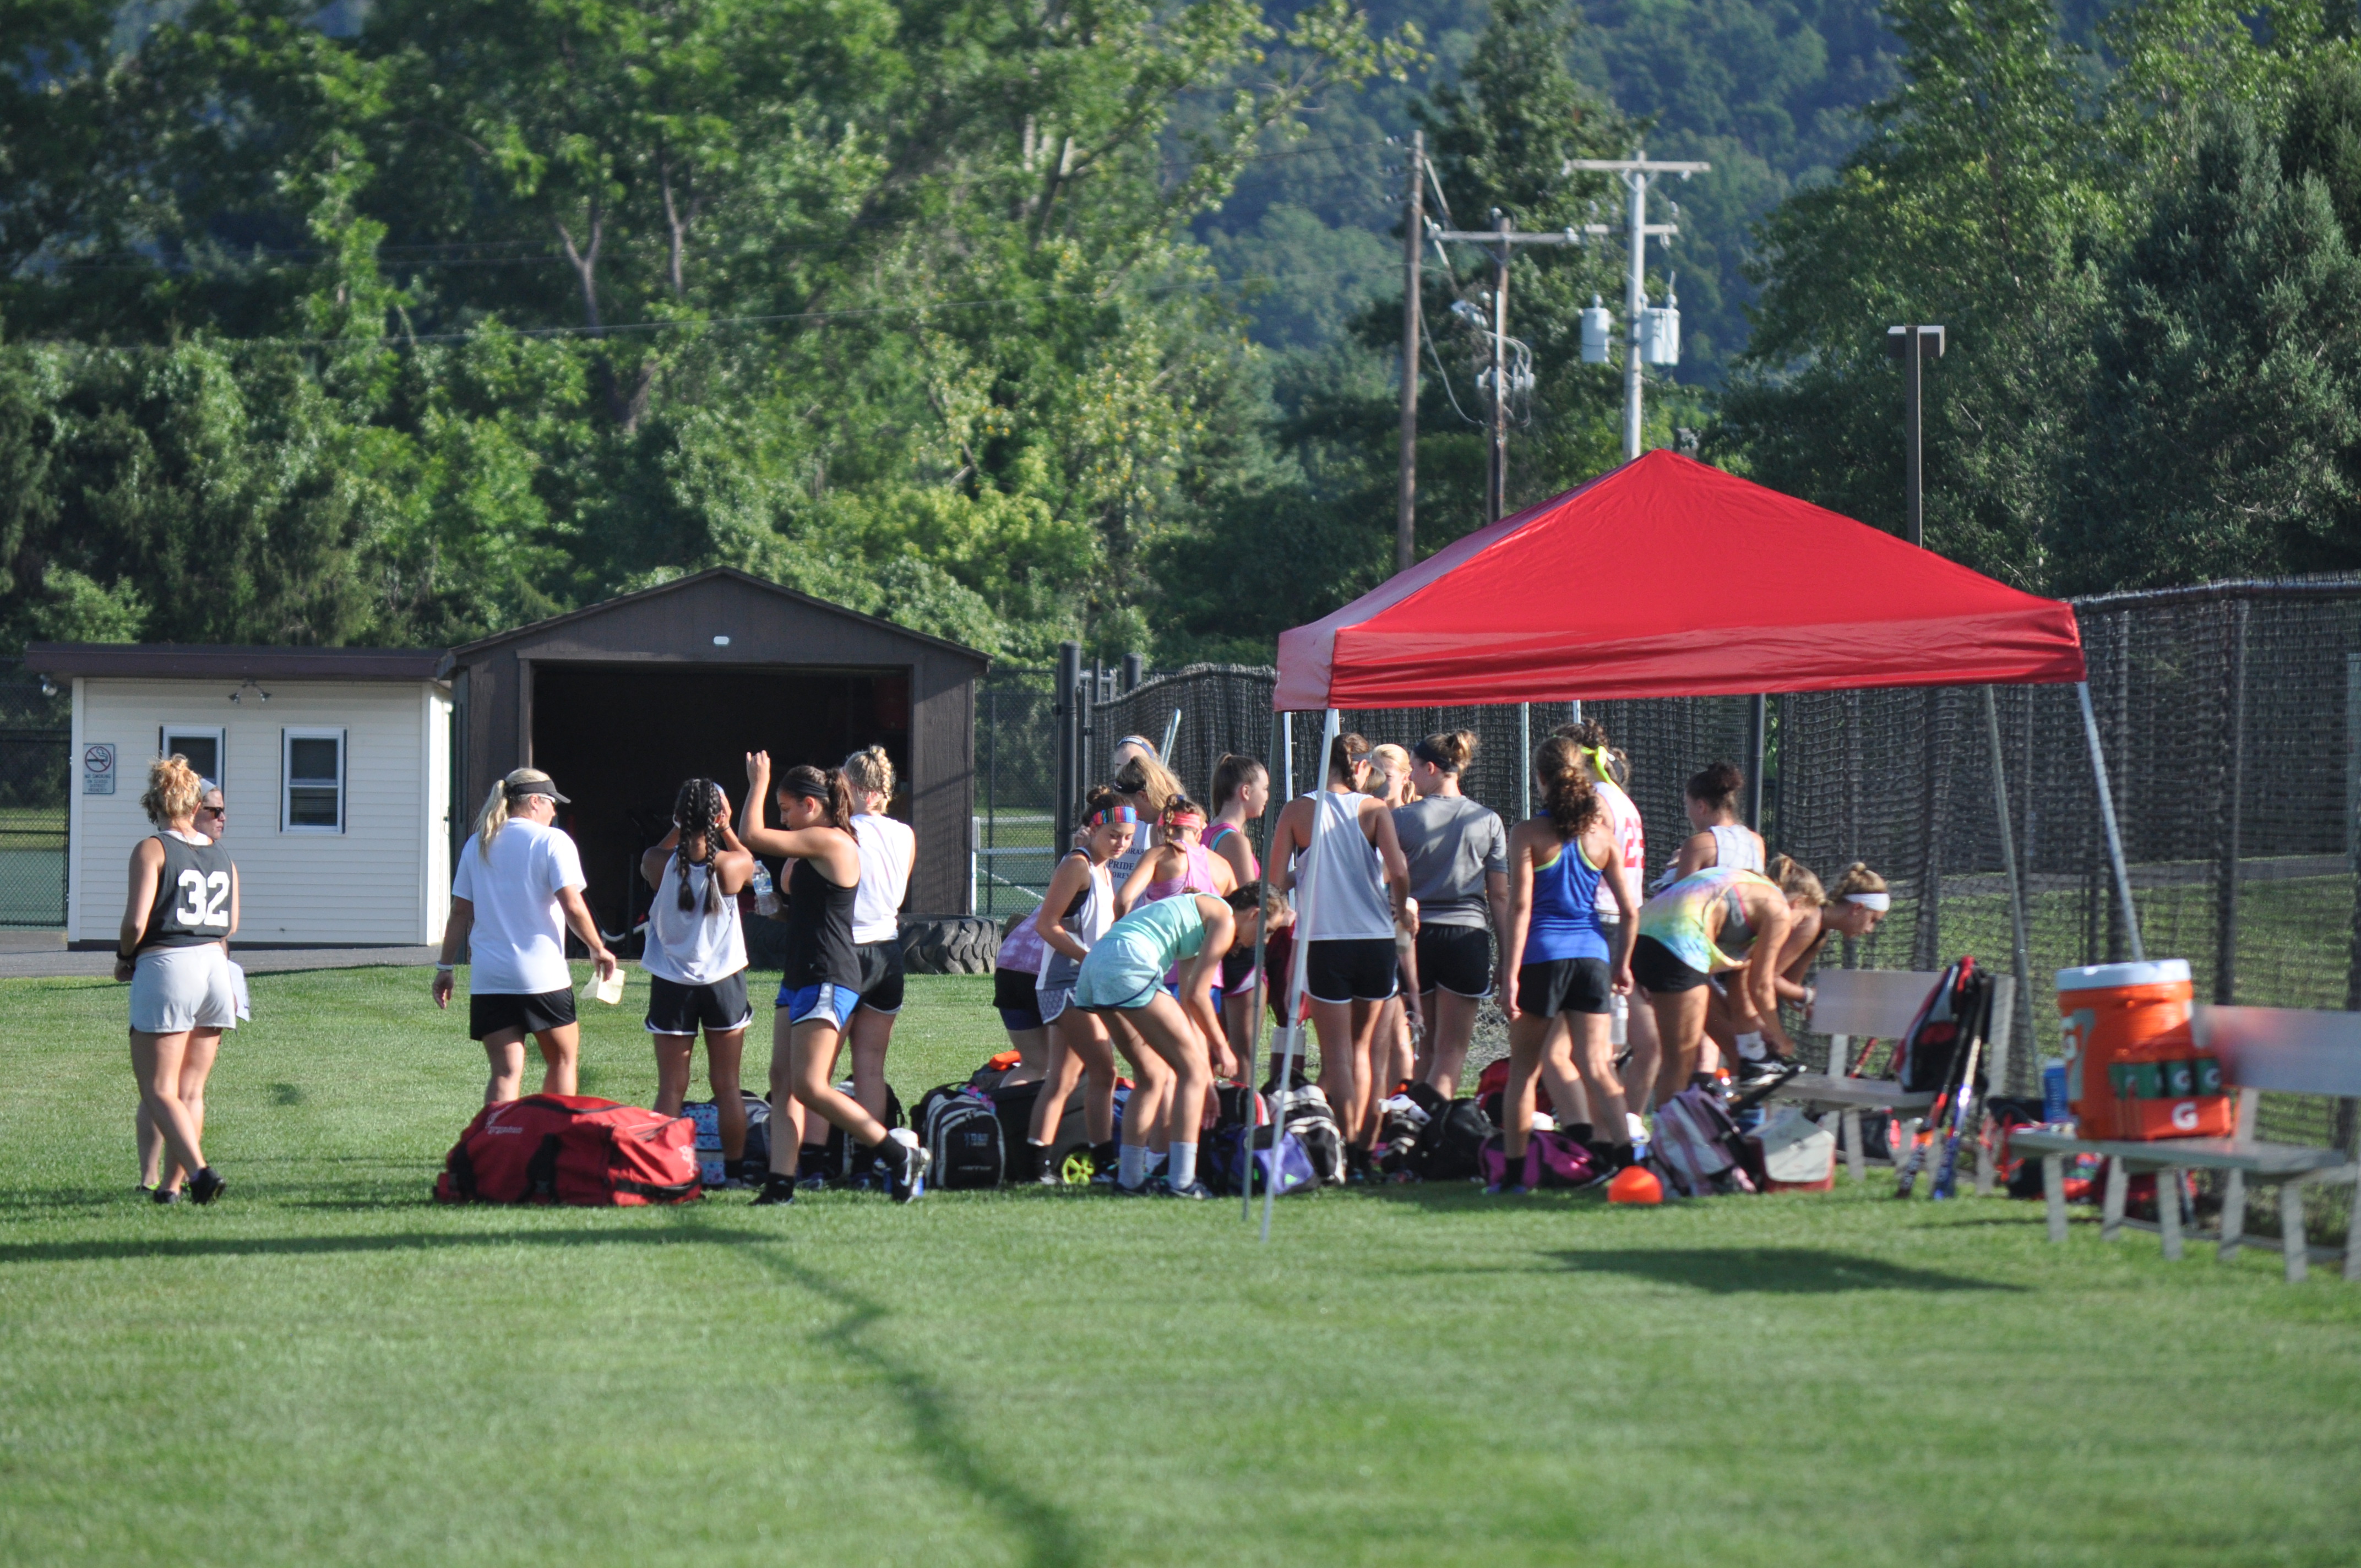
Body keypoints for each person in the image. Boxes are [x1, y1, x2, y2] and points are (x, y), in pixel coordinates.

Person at [740, 753, 929, 1205]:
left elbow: (752, 836)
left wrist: (758, 782)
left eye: (787, 810)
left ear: (811, 805)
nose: (783, 820)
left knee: (810, 1084)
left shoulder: (836, 842)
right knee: (783, 1079)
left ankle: (897, 1155)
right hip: (801, 971)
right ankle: (780, 1185)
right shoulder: (820, 843)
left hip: (829, 972)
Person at [1266, 731, 1412, 1174]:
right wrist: (1399, 908)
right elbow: (1400, 870)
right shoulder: (1373, 810)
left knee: (1339, 1057)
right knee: (1364, 1049)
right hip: (1374, 939)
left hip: (1325, 940)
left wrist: (1301, 883)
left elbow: (1274, 882)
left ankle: (1343, 1151)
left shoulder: (1297, 811)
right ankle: (1364, 1151)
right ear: (1364, 767)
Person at [1498, 737, 1639, 1189]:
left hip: (1542, 956)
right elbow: (1630, 909)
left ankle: (1515, 1178)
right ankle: (1630, 1167)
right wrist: (1623, 964)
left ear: (1540, 779)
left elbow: (1520, 908)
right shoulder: (1601, 835)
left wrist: (1509, 976)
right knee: (1598, 1066)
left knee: (1524, 1071)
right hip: (1593, 956)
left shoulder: (1527, 833)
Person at [1074, 883, 1274, 1197]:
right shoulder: (1224, 919)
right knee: (1190, 1072)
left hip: (1097, 965)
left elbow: (1188, 1008)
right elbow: (1198, 995)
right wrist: (1222, 1048)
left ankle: (1130, 1181)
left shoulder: (1200, 914)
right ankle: (1182, 1181)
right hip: (1129, 963)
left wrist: (1205, 1073)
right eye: (1267, 931)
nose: (1263, 942)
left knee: (1152, 1076)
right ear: (1256, 914)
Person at [433, 769, 617, 1108]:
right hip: (542, 976)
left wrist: (445, 966)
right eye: (551, 803)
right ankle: (552, 1143)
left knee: (505, 1073)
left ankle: (496, 1148)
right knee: (562, 1062)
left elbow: (460, 912)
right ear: (535, 802)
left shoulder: (479, 843)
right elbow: (573, 904)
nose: (554, 811)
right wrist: (598, 948)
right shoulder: (552, 841)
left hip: (490, 979)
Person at [118, 756, 238, 1205]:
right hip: (214, 966)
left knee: (157, 1088)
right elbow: (231, 924)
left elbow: (135, 923)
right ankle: (169, 1188)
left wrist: (124, 956)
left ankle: (201, 1174)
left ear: (155, 800)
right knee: (191, 1090)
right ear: (194, 803)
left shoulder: (152, 848)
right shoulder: (221, 853)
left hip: (169, 965)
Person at [638, 778, 755, 1182]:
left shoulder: (656, 861)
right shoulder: (729, 865)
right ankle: (736, 1172)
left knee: (671, 1086)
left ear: (678, 816)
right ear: (720, 815)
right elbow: (748, 861)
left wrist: (680, 824)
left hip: (672, 983)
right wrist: (724, 827)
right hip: (724, 983)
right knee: (727, 1085)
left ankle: (661, 1170)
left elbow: (666, 853)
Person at [1025, 787, 1136, 1184]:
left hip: (1086, 983)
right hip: (1066, 984)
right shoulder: (1078, 865)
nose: (1122, 844)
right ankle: (1105, 1163)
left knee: (1063, 1078)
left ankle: (1035, 1165)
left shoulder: (1104, 869)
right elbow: (1046, 924)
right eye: (1114, 836)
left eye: (1128, 837)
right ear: (1092, 829)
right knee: (1105, 1072)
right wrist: (1088, 957)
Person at [1552, 718, 1661, 1118]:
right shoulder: (1622, 798)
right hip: (1625, 920)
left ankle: (1596, 1129)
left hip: (1596, 919)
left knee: (1575, 1050)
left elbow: (1578, 863)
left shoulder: (1595, 800)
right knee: (1622, 1042)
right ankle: (1622, 1125)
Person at [1397, 730, 1508, 1096]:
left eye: (1413, 769)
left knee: (1424, 1047)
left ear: (1431, 768)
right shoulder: (1488, 820)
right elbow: (1500, 896)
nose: (1411, 777)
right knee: (1452, 1050)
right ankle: (1434, 1125)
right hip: (1466, 937)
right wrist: (1507, 957)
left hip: (1416, 938)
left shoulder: (1402, 819)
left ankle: (1415, 1128)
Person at [1634, 862, 1797, 1107]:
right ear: (1799, 903)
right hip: (1678, 945)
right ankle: (1667, 1139)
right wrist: (1780, 1038)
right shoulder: (1780, 909)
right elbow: (1761, 986)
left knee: (1734, 1048)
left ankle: (1736, 1129)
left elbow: (1739, 983)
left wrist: (1757, 1029)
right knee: (1680, 1062)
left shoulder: (1744, 883)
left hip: (1642, 935)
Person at [1723, 857, 1890, 1074]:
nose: (1870, 929)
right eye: (1873, 920)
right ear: (1857, 908)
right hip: (1728, 986)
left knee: (1755, 1068)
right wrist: (1808, 998)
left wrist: (1805, 1004)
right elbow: (1767, 978)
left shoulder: (1821, 932)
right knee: (1747, 1064)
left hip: (1737, 990)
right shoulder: (1811, 923)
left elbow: (1788, 983)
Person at [842, 746, 916, 1126]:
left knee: (816, 1073)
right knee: (870, 1067)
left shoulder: (844, 831)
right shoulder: (905, 834)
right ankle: (873, 1153)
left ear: (862, 790)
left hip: (847, 951)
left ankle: (815, 1159)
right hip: (888, 952)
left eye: (844, 787)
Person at [1206, 753, 1270, 1079]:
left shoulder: (1206, 833)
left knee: (1213, 1054)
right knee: (1241, 1056)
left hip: (1211, 951)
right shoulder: (1233, 840)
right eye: (1264, 789)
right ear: (1245, 792)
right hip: (1239, 953)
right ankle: (1241, 1125)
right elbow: (1251, 904)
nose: (1267, 797)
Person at [1365, 743, 1421, 1093]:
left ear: (1405, 777)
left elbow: (1407, 872)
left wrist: (1403, 904)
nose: (1379, 782)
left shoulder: (1412, 820)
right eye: (1374, 773)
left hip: (1405, 933)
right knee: (1374, 1035)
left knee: (1402, 1028)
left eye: (1385, 775)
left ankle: (1403, 1099)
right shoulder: (1365, 815)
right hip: (1369, 930)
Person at [1662, 760, 1764, 882]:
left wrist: (1673, 869)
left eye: (1688, 805)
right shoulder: (1756, 842)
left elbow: (1677, 897)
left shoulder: (1697, 844)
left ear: (1701, 806)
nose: (1687, 813)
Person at [1106, 738, 1185, 894]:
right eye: (1118, 766)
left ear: (1143, 796)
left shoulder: (1163, 826)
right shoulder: (1170, 817)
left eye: (1130, 764)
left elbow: (1125, 898)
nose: (1132, 813)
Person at [992, 908, 1050, 1087]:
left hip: (1008, 965)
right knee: (1078, 1068)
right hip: (1046, 971)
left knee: (1033, 1065)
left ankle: (1005, 1114)